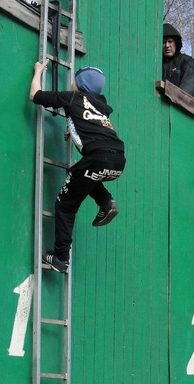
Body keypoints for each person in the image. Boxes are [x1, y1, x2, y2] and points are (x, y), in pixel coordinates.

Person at [29, 62, 126, 273]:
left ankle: (60, 258)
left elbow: (35, 95)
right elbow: (92, 126)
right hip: (118, 159)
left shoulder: (71, 97)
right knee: (85, 177)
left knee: (65, 205)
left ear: (81, 83)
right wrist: (72, 132)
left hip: (97, 158)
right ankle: (106, 201)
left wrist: (38, 72)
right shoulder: (101, 104)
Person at [162, 23, 194, 97]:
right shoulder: (156, 64)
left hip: (176, 106)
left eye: (170, 41)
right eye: (164, 42)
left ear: (176, 43)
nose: (167, 45)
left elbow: (190, 86)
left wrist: (175, 99)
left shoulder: (186, 61)